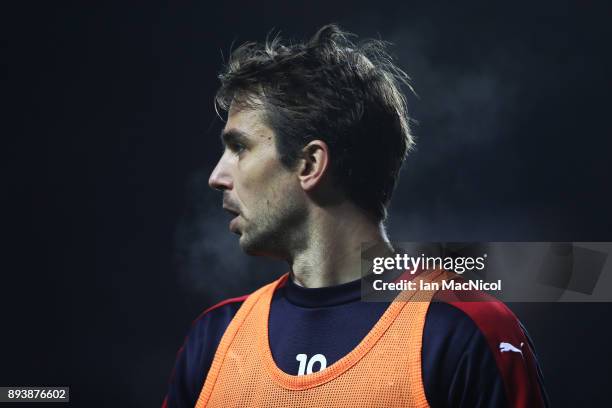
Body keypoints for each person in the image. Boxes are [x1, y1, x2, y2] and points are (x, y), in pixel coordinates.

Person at [162, 24, 549, 407]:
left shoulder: (462, 332)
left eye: (239, 148)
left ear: (310, 163)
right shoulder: (213, 341)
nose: (217, 177)